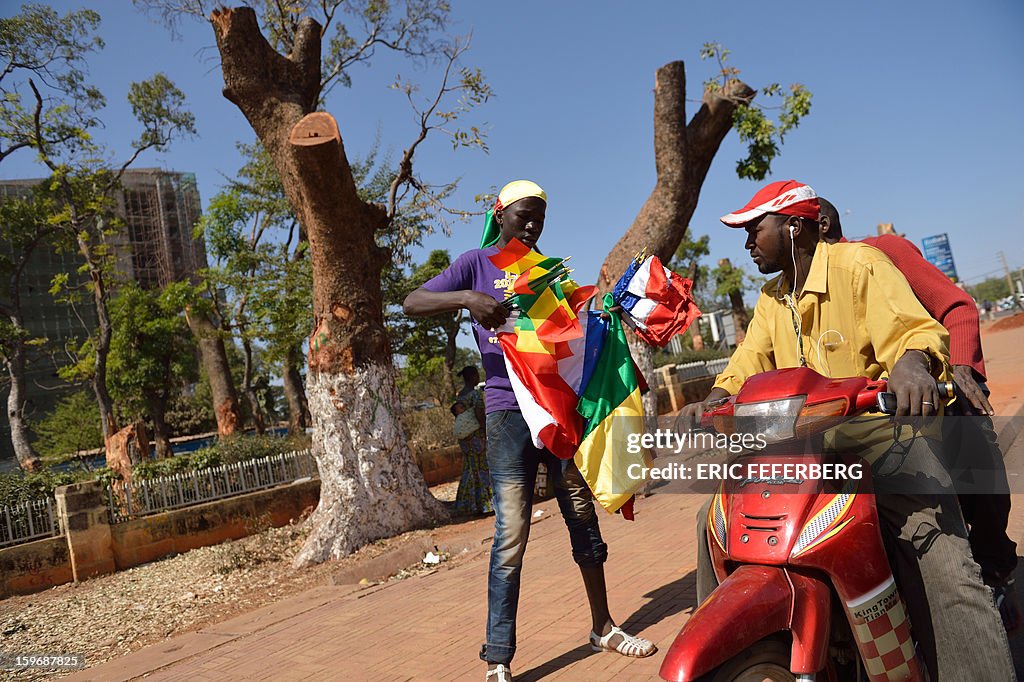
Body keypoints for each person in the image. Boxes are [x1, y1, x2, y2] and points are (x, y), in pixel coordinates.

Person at [679, 180, 1014, 680]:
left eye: (755, 229)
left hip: (883, 444)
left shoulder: (861, 266)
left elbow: (914, 331)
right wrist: (717, 397)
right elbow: (747, 364)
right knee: (716, 516)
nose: (748, 242)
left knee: (942, 559)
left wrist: (912, 365)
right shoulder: (772, 298)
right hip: (801, 454)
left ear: (795, 226)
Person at [403, 180, 654, 682]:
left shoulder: (549, 271)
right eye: (524, 215)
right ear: (501, 213)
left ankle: (603, 626)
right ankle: (498, 658)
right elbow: (412, 301)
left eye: (540, 216)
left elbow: (571, 339)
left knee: (581, 516)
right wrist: (469, 299)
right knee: (511, 532)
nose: (533, 224)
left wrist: (607, 316)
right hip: (506, 413)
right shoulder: (474, 263)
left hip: (558, 411)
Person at [818, 197, 1020, 630]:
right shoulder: (798, 296)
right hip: (875, 419)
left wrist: (961, 371)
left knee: (972, 446)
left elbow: (958, 307)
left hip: (941, 382)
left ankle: (996, 569)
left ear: (816, 226)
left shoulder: (880, 252)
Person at [452, 366, 493, 516]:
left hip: (465, 439)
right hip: (477, 436)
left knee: (470, 468)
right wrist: (485, 429)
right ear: (473, 377)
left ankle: (466, 504)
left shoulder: (460, 396)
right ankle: (485, 504)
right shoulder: (475, 394)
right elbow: (479, 413)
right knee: (483, 468)